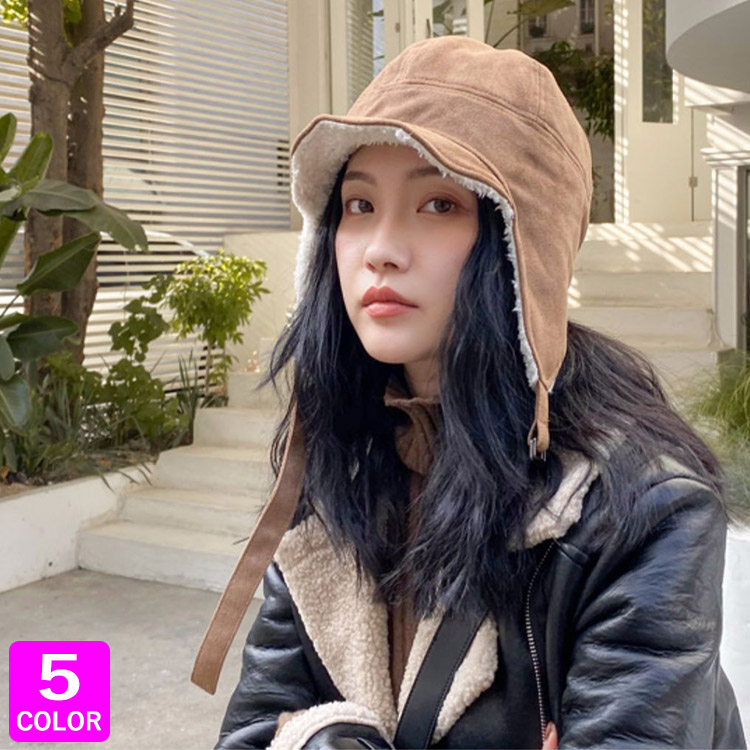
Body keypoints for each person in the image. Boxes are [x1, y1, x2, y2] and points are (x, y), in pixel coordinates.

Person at [192, 36, 747, 749]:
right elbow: (251, 730)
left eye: (438, 203)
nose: (380, 248)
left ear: (524, 247)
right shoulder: (335, 471)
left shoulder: (637, 509)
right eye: (359, 203)